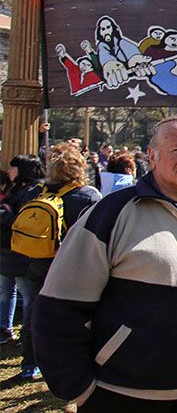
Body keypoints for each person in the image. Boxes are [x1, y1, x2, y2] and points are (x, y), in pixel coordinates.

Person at [33, 116, 177, 410]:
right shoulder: (110, 215)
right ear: (151, 156)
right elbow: (58, 308)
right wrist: (81, 389)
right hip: (124, 394)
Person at [18, 143, 102, 382]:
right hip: (76, 264)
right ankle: (74, 358)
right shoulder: (88, 195)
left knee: (35, 311)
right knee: (79, 314)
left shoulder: (35, 192)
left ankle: (29, 361)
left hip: (40, 260)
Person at [0, 155, 45, 347]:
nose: (9, 171)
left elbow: (24, 221)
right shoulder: (15, 188)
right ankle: (4, 329)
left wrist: (3, 214)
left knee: (26, 293)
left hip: (21, 249)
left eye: (13, 168)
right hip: (7, 248)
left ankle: (26, 333)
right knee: (5, 290)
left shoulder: (33, 191)